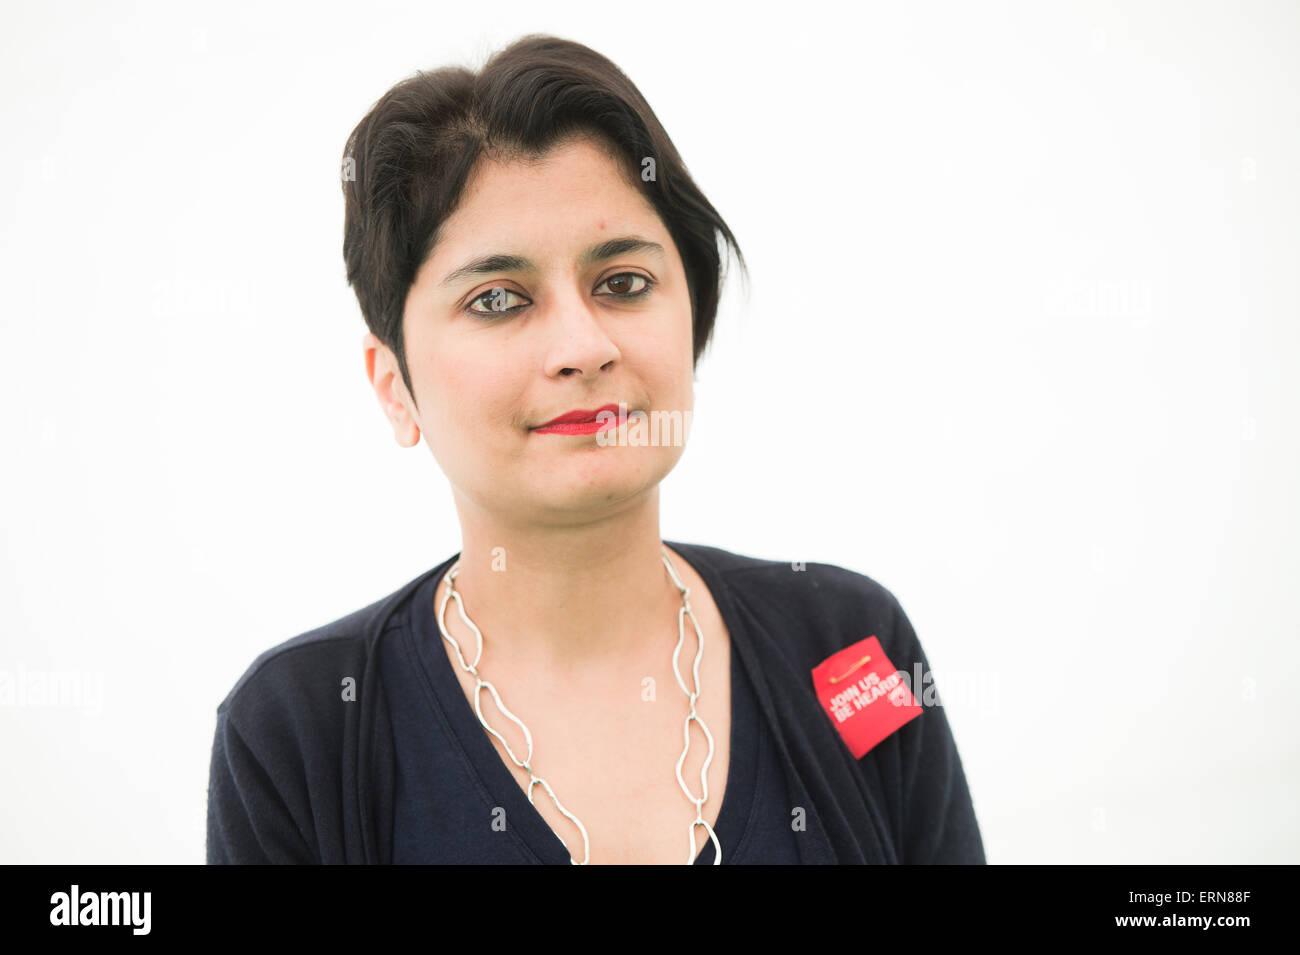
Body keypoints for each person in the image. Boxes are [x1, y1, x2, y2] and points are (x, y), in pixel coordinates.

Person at [205, 33, 985, 865]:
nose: (583, 345)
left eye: (623, 283)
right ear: (394, 383)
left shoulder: (850, 647)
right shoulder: (299, 731)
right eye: (499, 298)